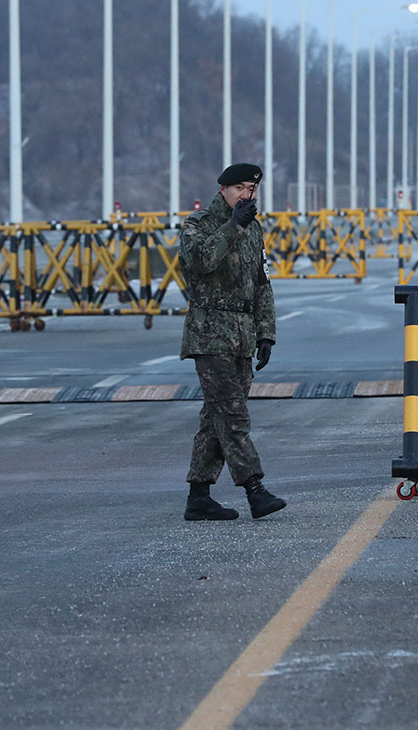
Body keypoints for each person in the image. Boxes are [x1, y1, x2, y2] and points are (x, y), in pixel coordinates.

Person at [178, 162, 286, 521]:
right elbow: (202, 262)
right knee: (233, 414)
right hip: (210, 333)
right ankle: (255, 489)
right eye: (239, 188)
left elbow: (261, 284)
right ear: (223, 189)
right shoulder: (199, 224)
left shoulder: (254, 230)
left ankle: (199, 496)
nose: (246, 195)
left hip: (242, 335)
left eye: (251, 190)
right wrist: (233, 225)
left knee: (216, 418)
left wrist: (266, 333)